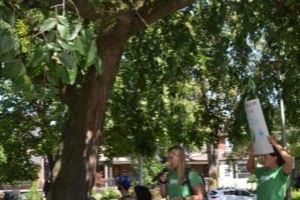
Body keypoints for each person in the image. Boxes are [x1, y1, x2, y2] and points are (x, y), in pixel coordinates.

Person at [247, 136, 293, 200]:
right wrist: (251, 155)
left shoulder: (281, 171)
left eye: (265, 156)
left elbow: (290, 161)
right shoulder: (263, 170)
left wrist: (274, 143)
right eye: (262, 156)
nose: (262, 158)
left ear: (275, 157)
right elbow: (250, 168)